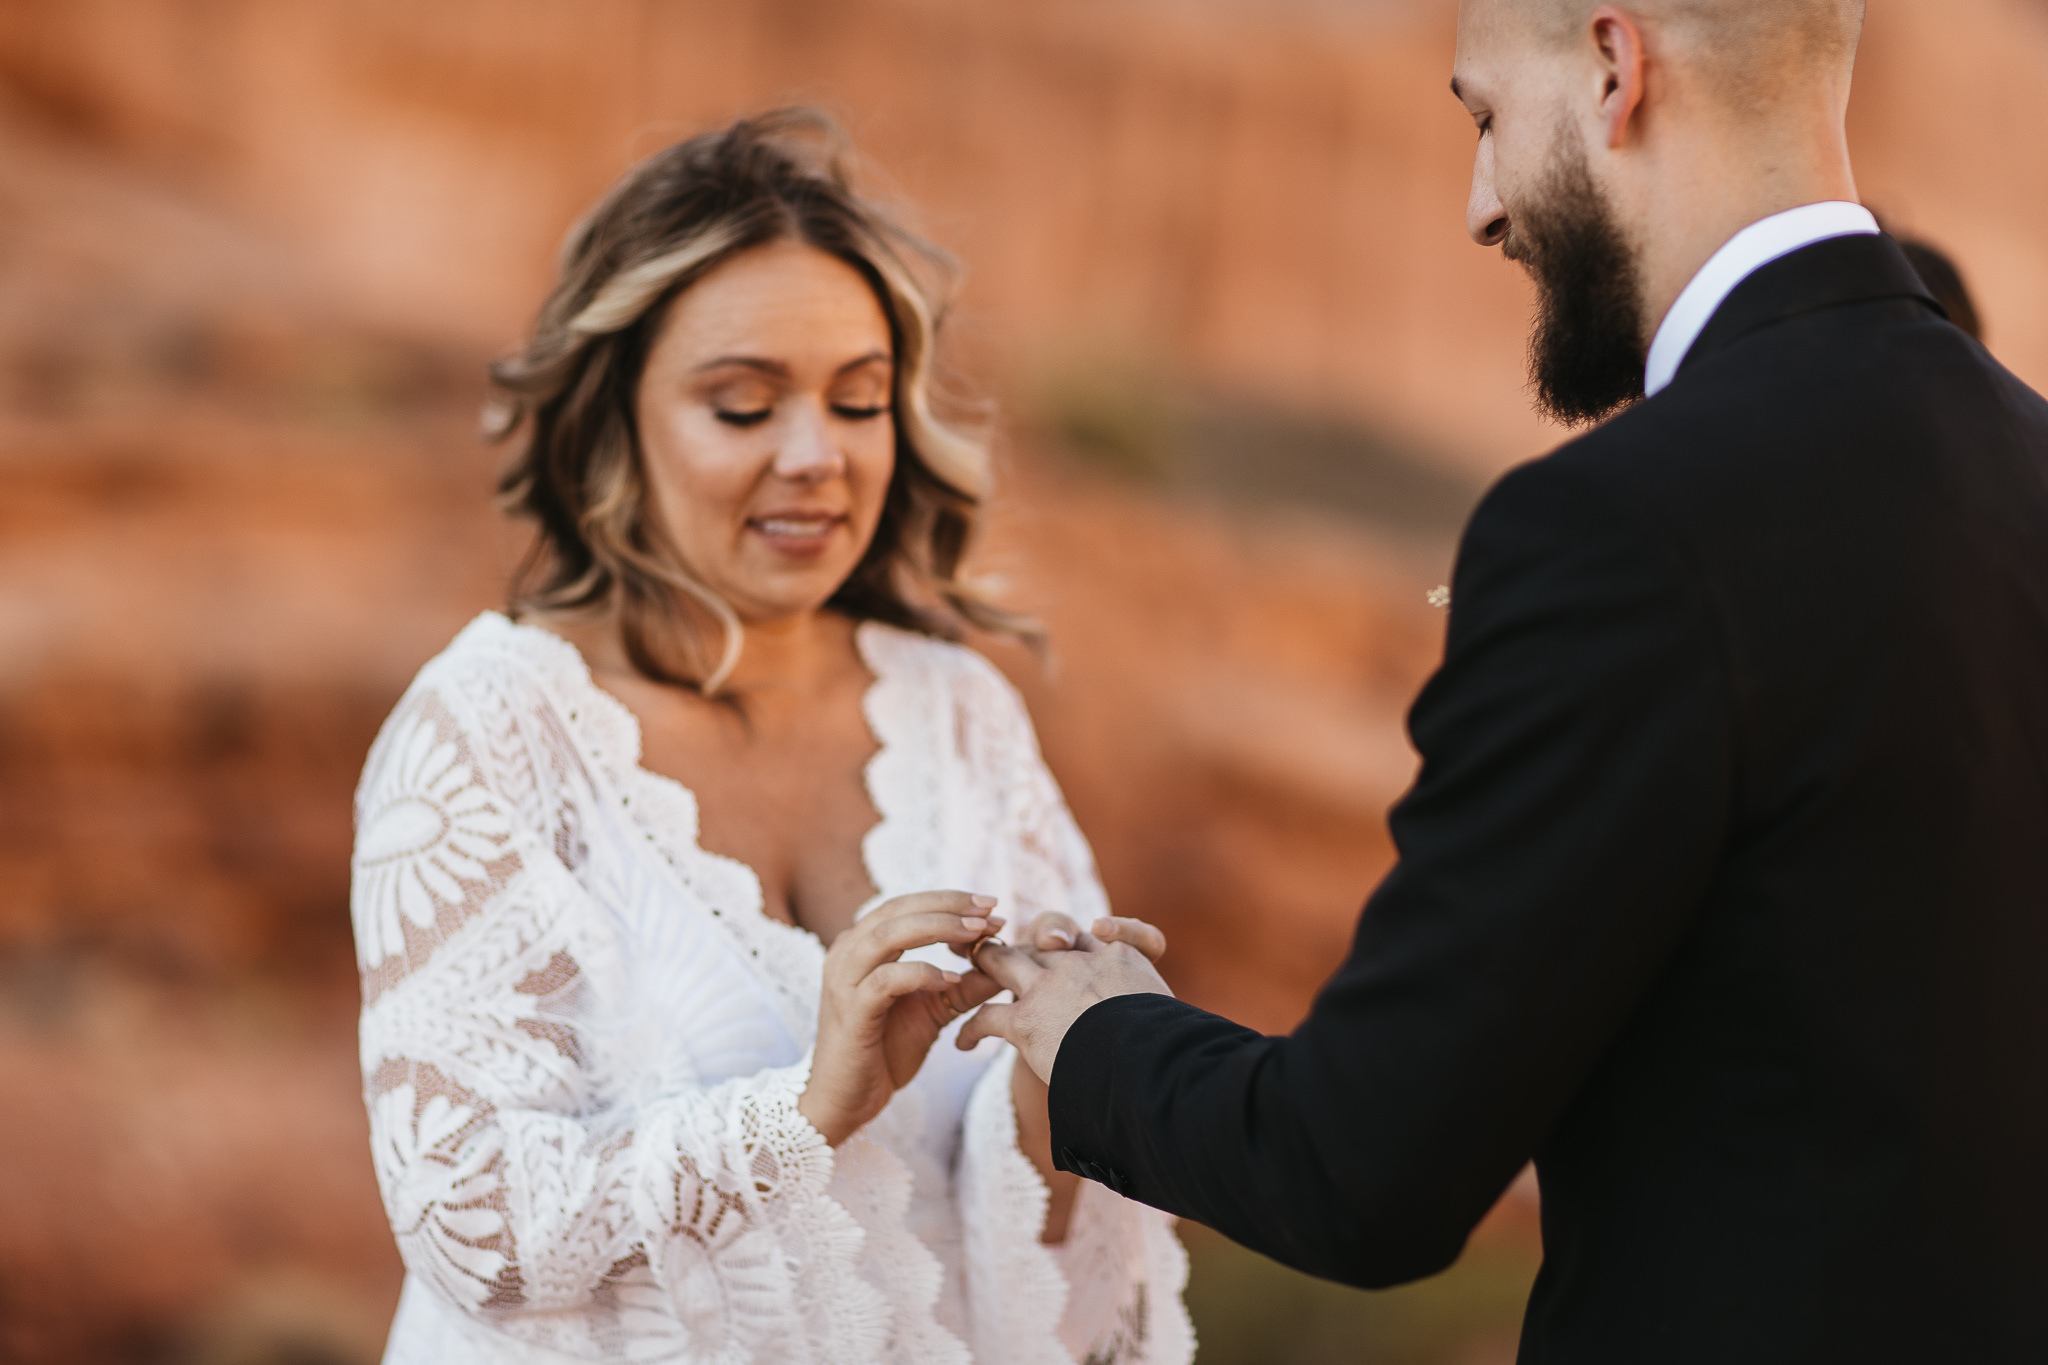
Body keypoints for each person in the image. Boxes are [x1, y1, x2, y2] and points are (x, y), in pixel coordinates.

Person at [960, 2, 2048, 1360]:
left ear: (1614, 65)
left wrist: (1102, 1036)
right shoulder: (2026, 459)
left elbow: (1363, 1171)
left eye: (1483, 118)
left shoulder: (1618, 526)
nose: (1481, 208)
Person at [349, 110, 1192, 1365]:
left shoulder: (958, 713)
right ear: (612, 417)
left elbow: (1021, 1223)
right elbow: (468, 1222)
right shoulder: (488, 727)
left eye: (856, 402)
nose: (816, 457)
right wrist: (806, 1109)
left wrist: (1069, 1069)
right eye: (742, 407)